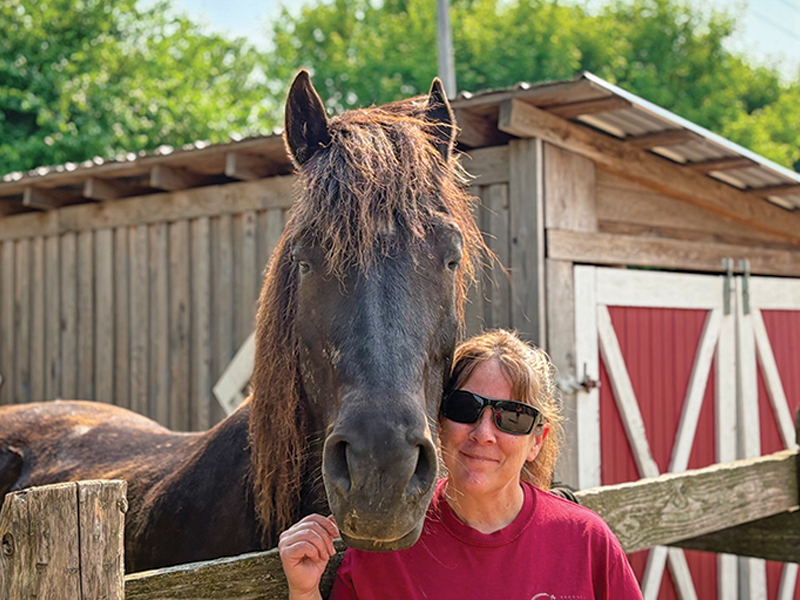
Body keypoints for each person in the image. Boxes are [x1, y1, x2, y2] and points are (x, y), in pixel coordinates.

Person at [279, 329, 644, 599]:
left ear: (537, 441)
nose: (484, 433)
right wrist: (305, 591)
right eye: (465, 408)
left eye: (512, 417)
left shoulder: (585, 541)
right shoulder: (387, 542)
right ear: (438, 421)